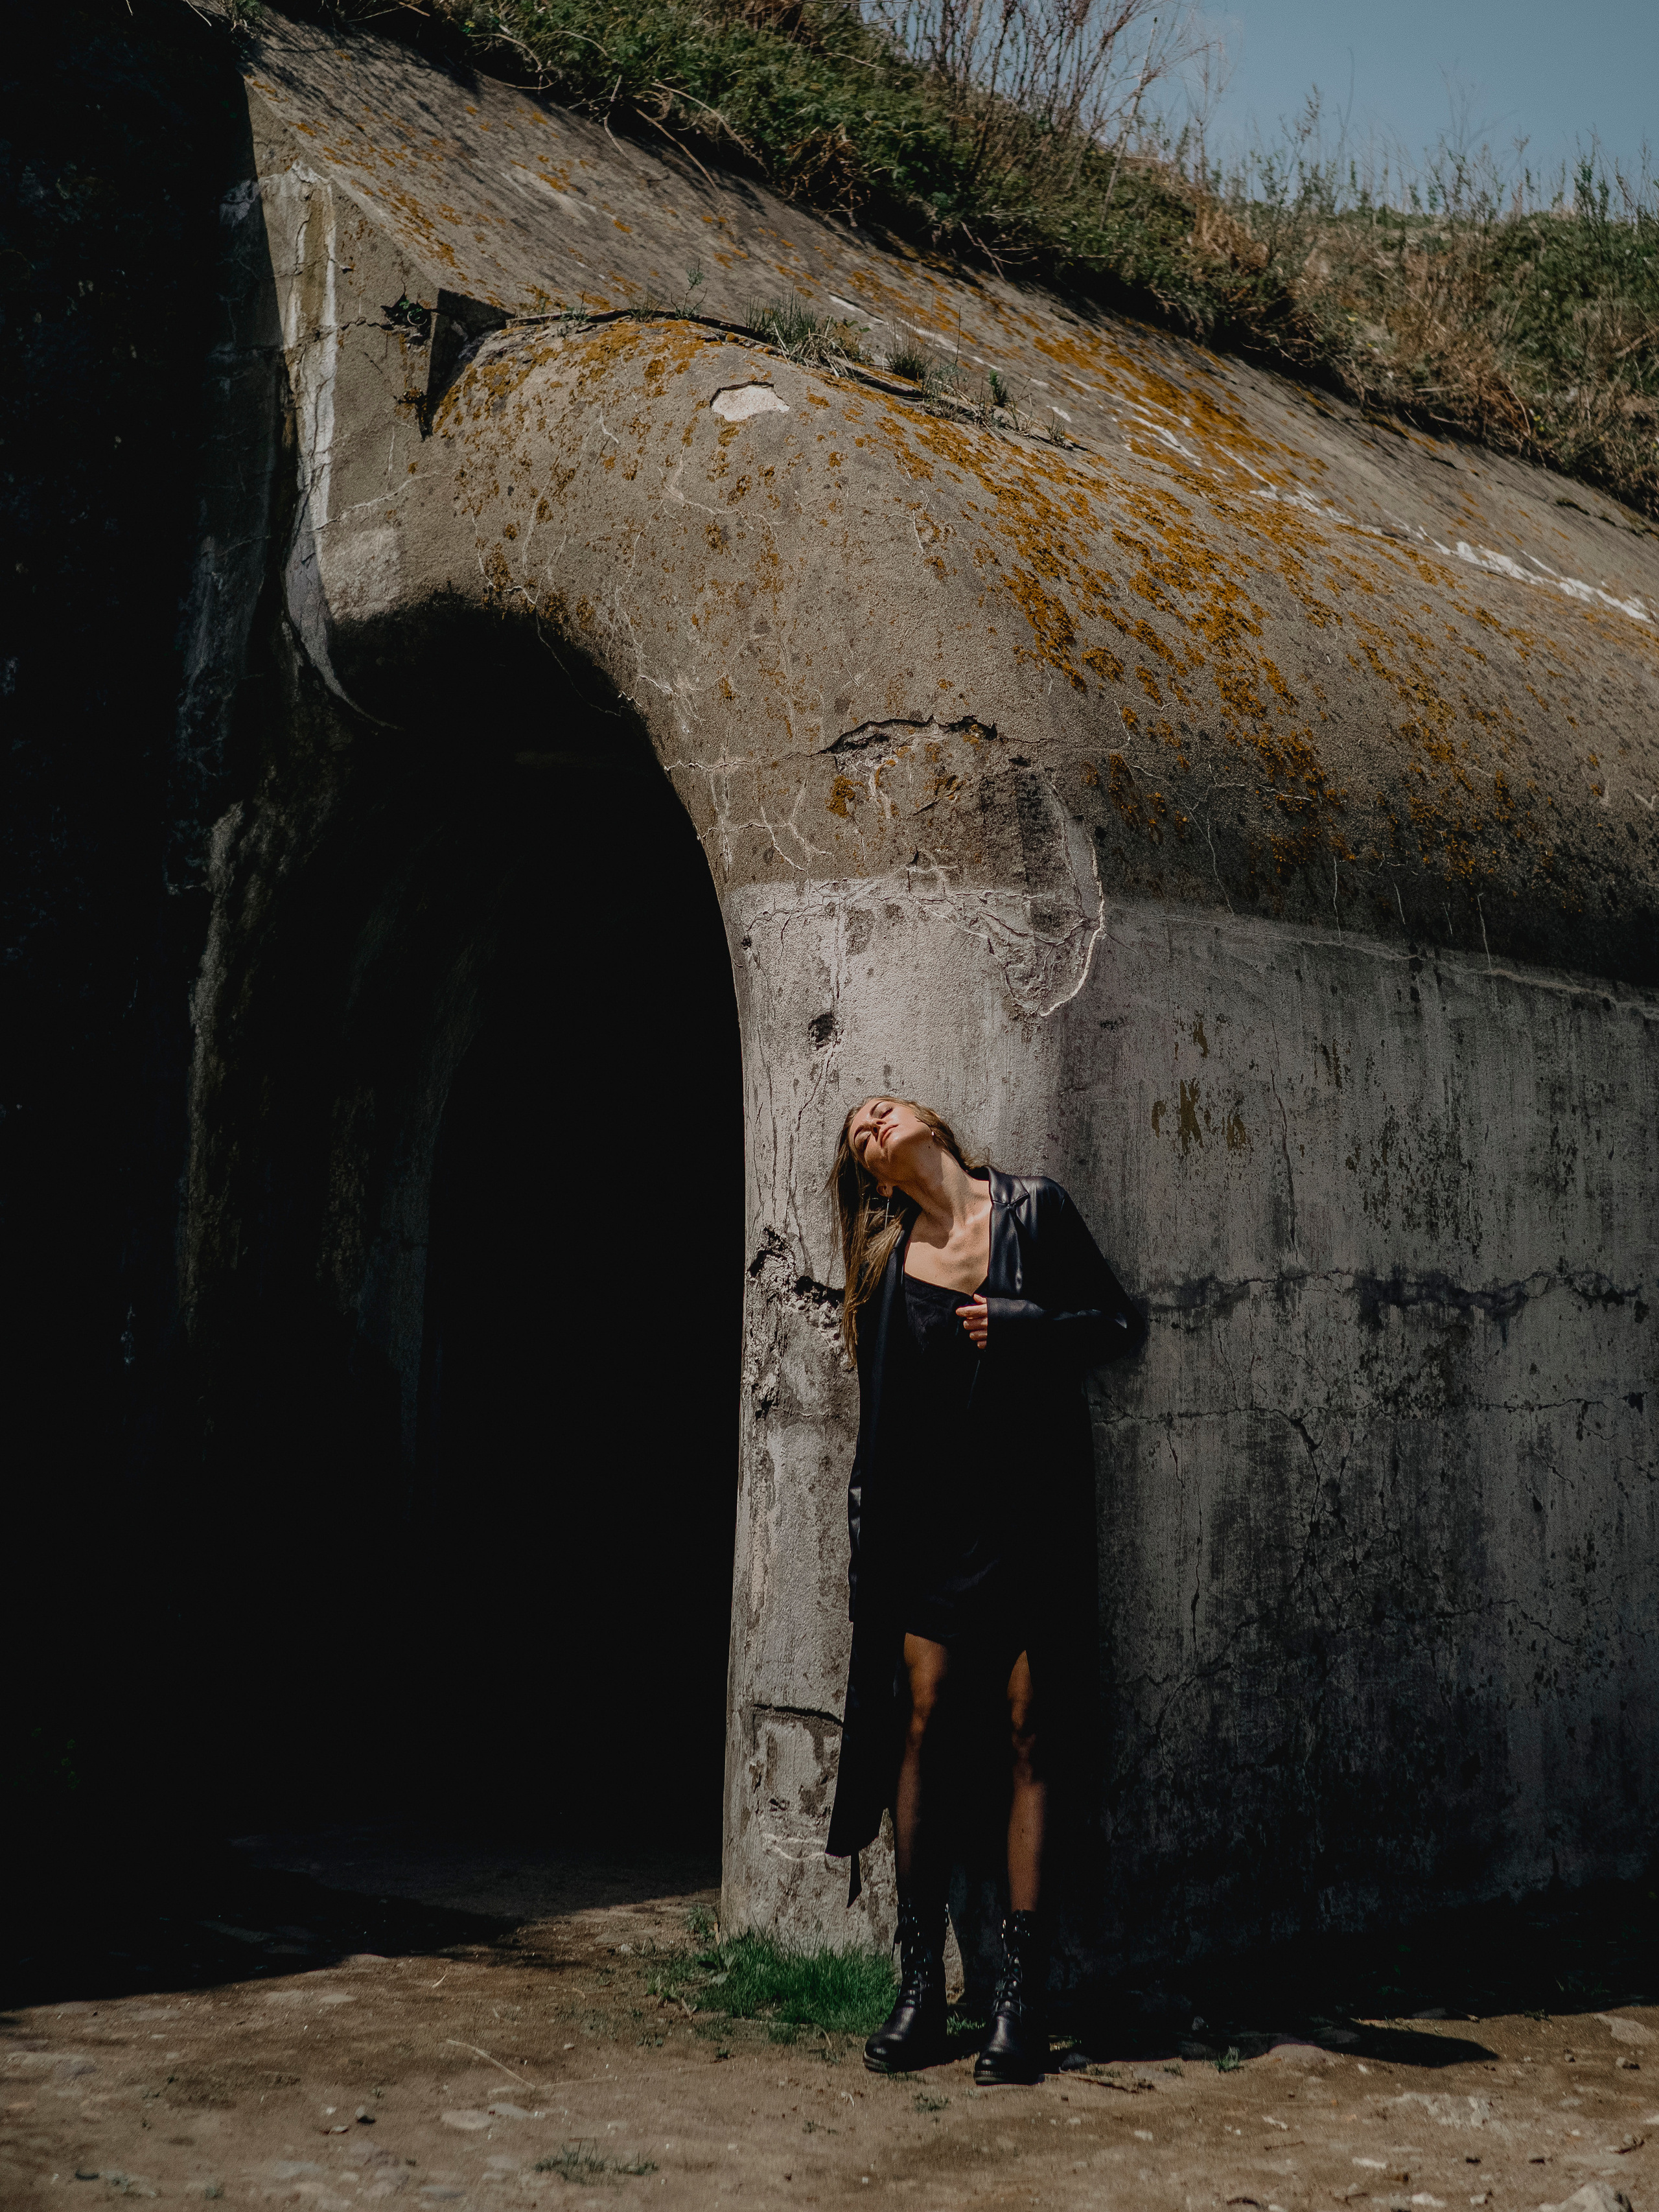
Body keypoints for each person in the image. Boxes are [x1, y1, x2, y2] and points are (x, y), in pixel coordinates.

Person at [823, 1096, 1146, 2084]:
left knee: (1030, 1732)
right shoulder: (887, 1264)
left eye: (882, 1105)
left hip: (1033, 1520)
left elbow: (1120, 1321)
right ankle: (920, 1989)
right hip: (934, 1537)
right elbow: (888, 1427)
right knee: (919, 1724)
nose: (872, 1120)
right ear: (878, 1178)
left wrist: (1027, 1322)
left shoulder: (1033, 1212)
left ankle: (1022, 1997)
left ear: (934, 1121)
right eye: (858, 1135)